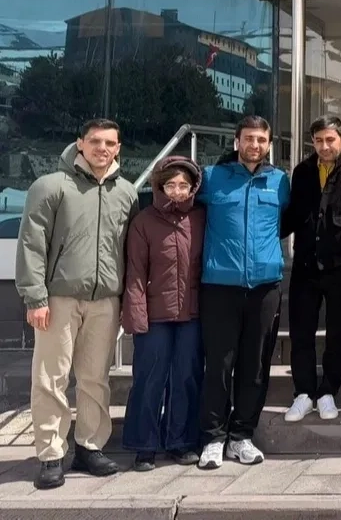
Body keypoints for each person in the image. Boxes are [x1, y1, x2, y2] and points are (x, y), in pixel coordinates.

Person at [15, 119, 139, 490]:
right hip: (58, 297)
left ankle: (89, 446)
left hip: (105, 300)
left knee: (95, 378)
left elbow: (129, 250)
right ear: (80, 144)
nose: (103, 149)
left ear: (118, 148)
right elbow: (32, 243)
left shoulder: (127, 192)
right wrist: (35, 296)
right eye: (96, 141)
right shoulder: (51, 186)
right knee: (51, 377)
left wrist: (126, 299)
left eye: (110, 143)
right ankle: (51, 453)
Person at [196, 116, 290, 470]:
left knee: (255, 365)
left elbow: (285, 221)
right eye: (249, 138)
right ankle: (213, 438)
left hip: (265, 287)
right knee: (219, 365)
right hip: (220, 286)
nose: (255, 145)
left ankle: (241, 436)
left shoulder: (279, 181)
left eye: (261, 139)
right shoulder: (212, 177)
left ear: (269, 144)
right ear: (237, 141)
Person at [281, 116, 341, 423]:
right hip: (305, 266)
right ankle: (304, 392)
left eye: (330, 139)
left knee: (337, 332)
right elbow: (294, 215)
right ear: (313, 141)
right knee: (301, 332)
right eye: (319, 140)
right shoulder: (303, 171)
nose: (325, 146)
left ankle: (327, 392)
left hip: (340, 268)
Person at [121, 157, 205, 472]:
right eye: (171, 185)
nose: (177, 191)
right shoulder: (144, 222)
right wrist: (135, 316)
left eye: (184, 185)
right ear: (159, 186)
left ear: (193, 187)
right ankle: (144, 445)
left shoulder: (200, 217)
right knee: (149, 378)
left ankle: (180, 441)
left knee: (186, 377)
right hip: (154, 315)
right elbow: (135, 273)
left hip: (192, 314)